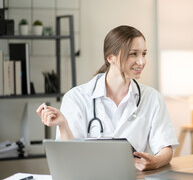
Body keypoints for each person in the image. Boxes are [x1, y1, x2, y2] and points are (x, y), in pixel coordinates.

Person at [36, 25, 179, 171]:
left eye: (144, 54)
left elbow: (165, 148)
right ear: (111, 57)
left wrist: (155, 162)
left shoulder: (152, 98)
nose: (141, 62)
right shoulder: (76, 98)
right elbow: (69, 156)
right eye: (133, 54)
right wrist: (63, 125)